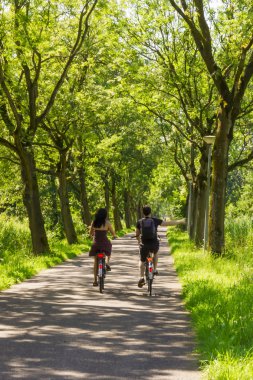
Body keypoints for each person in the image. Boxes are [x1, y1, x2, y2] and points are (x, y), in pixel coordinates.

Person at [136, 205, 185, 288]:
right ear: (150, 212)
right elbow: (168, 223)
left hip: (144, 244)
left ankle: (141, 277)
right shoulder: (155, 220)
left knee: (142, 260)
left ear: (143, 212)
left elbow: (137, 234)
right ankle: (154, 269)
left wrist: (139, 242)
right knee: (155, 253)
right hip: (154, 244)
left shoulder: (139, 222)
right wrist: (180, 221)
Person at [89, 208, 117, 286]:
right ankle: (107, 263)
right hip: (105, 243)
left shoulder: (94, 222)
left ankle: (95, 280)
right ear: (105, 215)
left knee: (95, 261)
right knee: (110, 247)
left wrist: (91, 234)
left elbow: (91, 233)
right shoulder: (107, 223)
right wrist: (114, 236)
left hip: (96, 244)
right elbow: (113, 233)